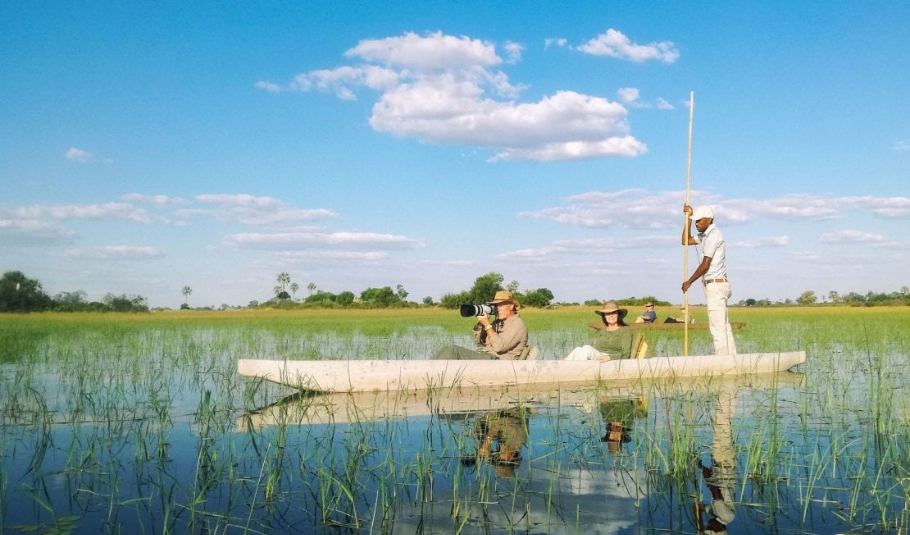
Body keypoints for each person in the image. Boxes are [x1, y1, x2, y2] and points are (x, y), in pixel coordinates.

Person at [682, 204, 738, 355]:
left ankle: (722, 360)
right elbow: (685, 241)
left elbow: (706, 263)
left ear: (709, 220)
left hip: (716, 284)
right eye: (695, 221)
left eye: (699, 220)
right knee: (723, 325)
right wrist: (688, 218)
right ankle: (732, 358)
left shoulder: (714, 235)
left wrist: (689, 281)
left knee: (717, 327)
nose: (697, 223)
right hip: (714, 284)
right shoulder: (704, 236)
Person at [433, 290, 528, 360]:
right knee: (446, 348)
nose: (497, 308)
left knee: (452, 351)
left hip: (498, 362)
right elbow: (479, 341)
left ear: (511, 306)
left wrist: (487, 324)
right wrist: (480, 324)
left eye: (501, 305)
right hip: (487, 357)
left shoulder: (518, 324)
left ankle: (430, 374)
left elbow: (499, 347)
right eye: (496, 305)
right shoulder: (498, 322)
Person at [565, 300, 633, 361]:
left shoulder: (624, 330)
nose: (611, 316)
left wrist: (609, 357)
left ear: (618, 315)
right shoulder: (603, 330)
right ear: (604, 316)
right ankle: (565, 363)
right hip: (599, 358)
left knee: (586, 348)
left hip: (612, 360)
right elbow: (595, 349)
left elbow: (626, 354)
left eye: (614, 313)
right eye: (608, 313)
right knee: (578, 349)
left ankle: (569, 367)